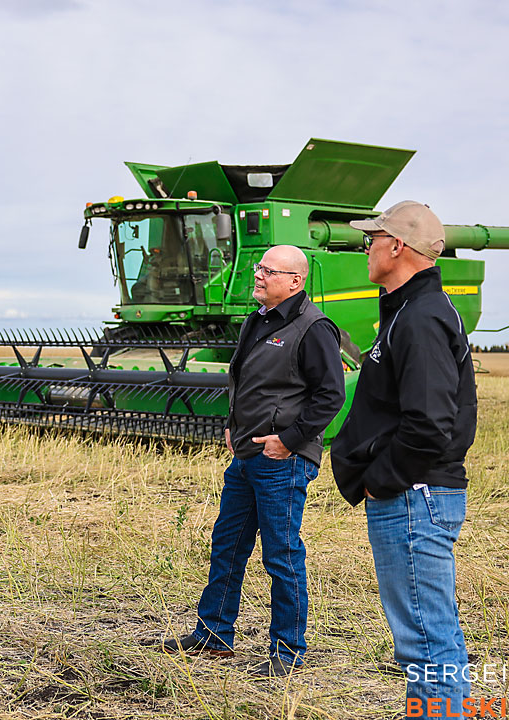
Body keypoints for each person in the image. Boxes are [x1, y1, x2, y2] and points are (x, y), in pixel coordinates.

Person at [163, 245, 345, 676]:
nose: (258, 275)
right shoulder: (256, 320)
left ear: (295, 281)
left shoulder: (313, 328)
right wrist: (231, 422)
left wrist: (290, 439)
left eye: (268, 270)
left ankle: (288, 652)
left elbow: (330, 395)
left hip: (283, 460)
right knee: (227, 545)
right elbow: (243, 377)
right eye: (258, 267)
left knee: (280, 554)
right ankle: (213, 635)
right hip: (246, 454)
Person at [331, 201, 476, 718]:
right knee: (424, 637)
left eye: (372, 238)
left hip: (414, 498)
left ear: (397, 246)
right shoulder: (407, 312)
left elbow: (430, 423)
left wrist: (381, 481)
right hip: (414, 496)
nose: (365, 247)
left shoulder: (421, 318)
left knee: (426, 642)